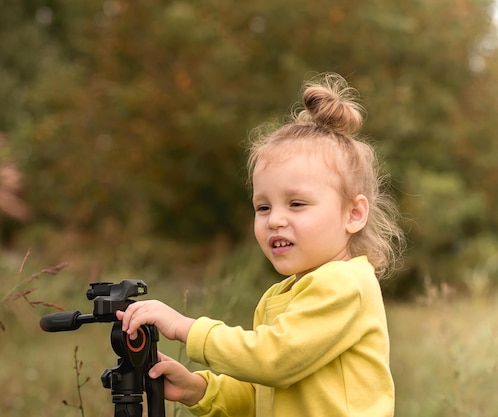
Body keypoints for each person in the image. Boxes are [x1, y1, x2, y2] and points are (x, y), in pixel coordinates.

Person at [116, 72, 405, 417]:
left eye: (296, 204)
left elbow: (275, 358)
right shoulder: (280, 296)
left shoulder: (345, 284)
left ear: (353, 214)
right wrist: (199, 389)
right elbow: (265, 390)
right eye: (263, 207)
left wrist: (186, 328)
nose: (275, 220)